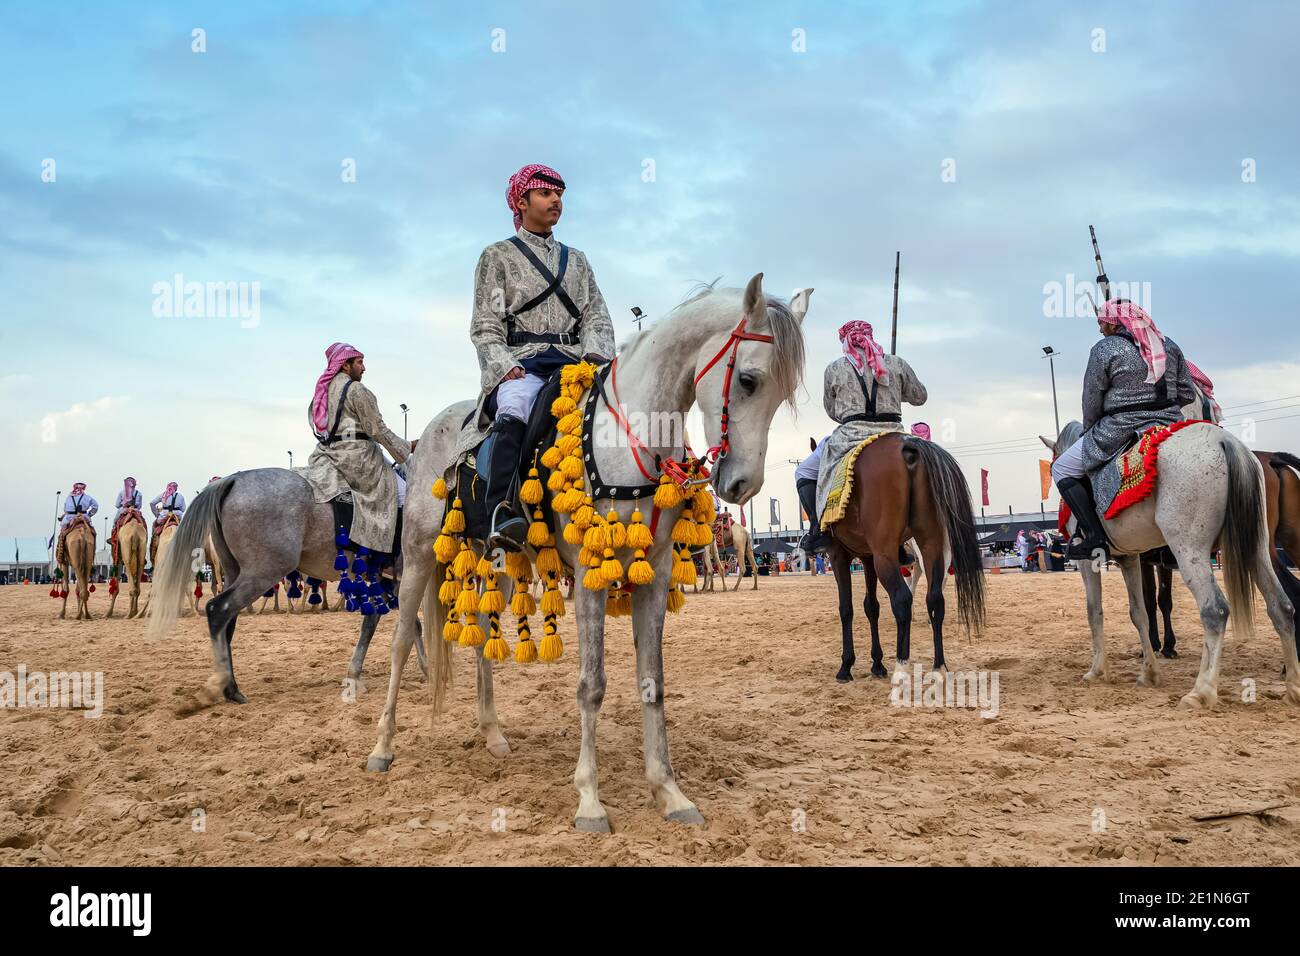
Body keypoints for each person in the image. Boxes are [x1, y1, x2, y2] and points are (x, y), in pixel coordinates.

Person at [456, 163, 615, 551]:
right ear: (522, 201)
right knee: (516, 406)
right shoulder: (497, 257)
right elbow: (485, 322)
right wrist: (503, 367)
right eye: (545, 193)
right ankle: (502, 510)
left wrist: (597, 357)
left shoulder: (577, 260)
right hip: (521, 363)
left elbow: (596, 313)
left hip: (574, 361)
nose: (556, 200)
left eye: (559, 194)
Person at [1051, 299, 1196, 559]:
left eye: (1101, 323)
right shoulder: (1169, 344)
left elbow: (1091, 398)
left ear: (1112, 321)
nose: (1099, 329)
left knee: (1060, 468)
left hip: (1120, 426)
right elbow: (1187, 392)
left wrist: (1090, 427)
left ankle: (1095, 538)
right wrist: (1162, 408)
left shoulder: (1105, 348)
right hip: (1170, 424)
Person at [813, 321, 928, 556]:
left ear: (845, 341)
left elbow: (831, 410)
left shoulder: (834, 368)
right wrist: (896, 390)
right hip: (895, 432)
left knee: (812, 471)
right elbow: (919, 397)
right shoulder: (895, 363)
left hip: (851, 436)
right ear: (870, 337)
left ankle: (820, 530)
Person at [301, 343, 413, 555]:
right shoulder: (356, 390)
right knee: (405, 494)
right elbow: (377, 430)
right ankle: (394, 556)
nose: (364, 368)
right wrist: (407, 447)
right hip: (359, 458)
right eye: (360, 362)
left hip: (328, 454)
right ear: (345, 365)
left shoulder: (322, 393)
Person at [795, 435, 830, 553]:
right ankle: (811, 546)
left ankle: (810, 544)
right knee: (815, 517)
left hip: (810, 479)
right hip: (805, 480)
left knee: (815, 517)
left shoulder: (825, 444)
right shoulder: (825, 448)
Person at [55, 482, 98, 564]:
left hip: (69, 518)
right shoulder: (87, 498)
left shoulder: (69, 497)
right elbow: (95, 506)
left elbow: (65, 509)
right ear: (84, 489)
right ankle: (92, 554)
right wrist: (89, 514)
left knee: (62, 535)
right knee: (93, 533)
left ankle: (61, 555)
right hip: (83, 517)